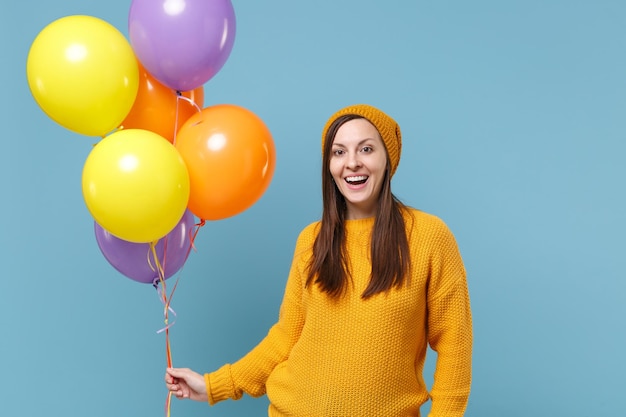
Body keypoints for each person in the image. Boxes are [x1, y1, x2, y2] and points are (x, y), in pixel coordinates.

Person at [165, 104, 473, 416]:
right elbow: (286, 337)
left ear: (387, 159)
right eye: (339, 152)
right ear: (329, 165)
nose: (352, 163)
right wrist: (215, 385)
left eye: (366, 149)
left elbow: (454, 345)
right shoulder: (312, 240)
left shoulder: (429, 236)